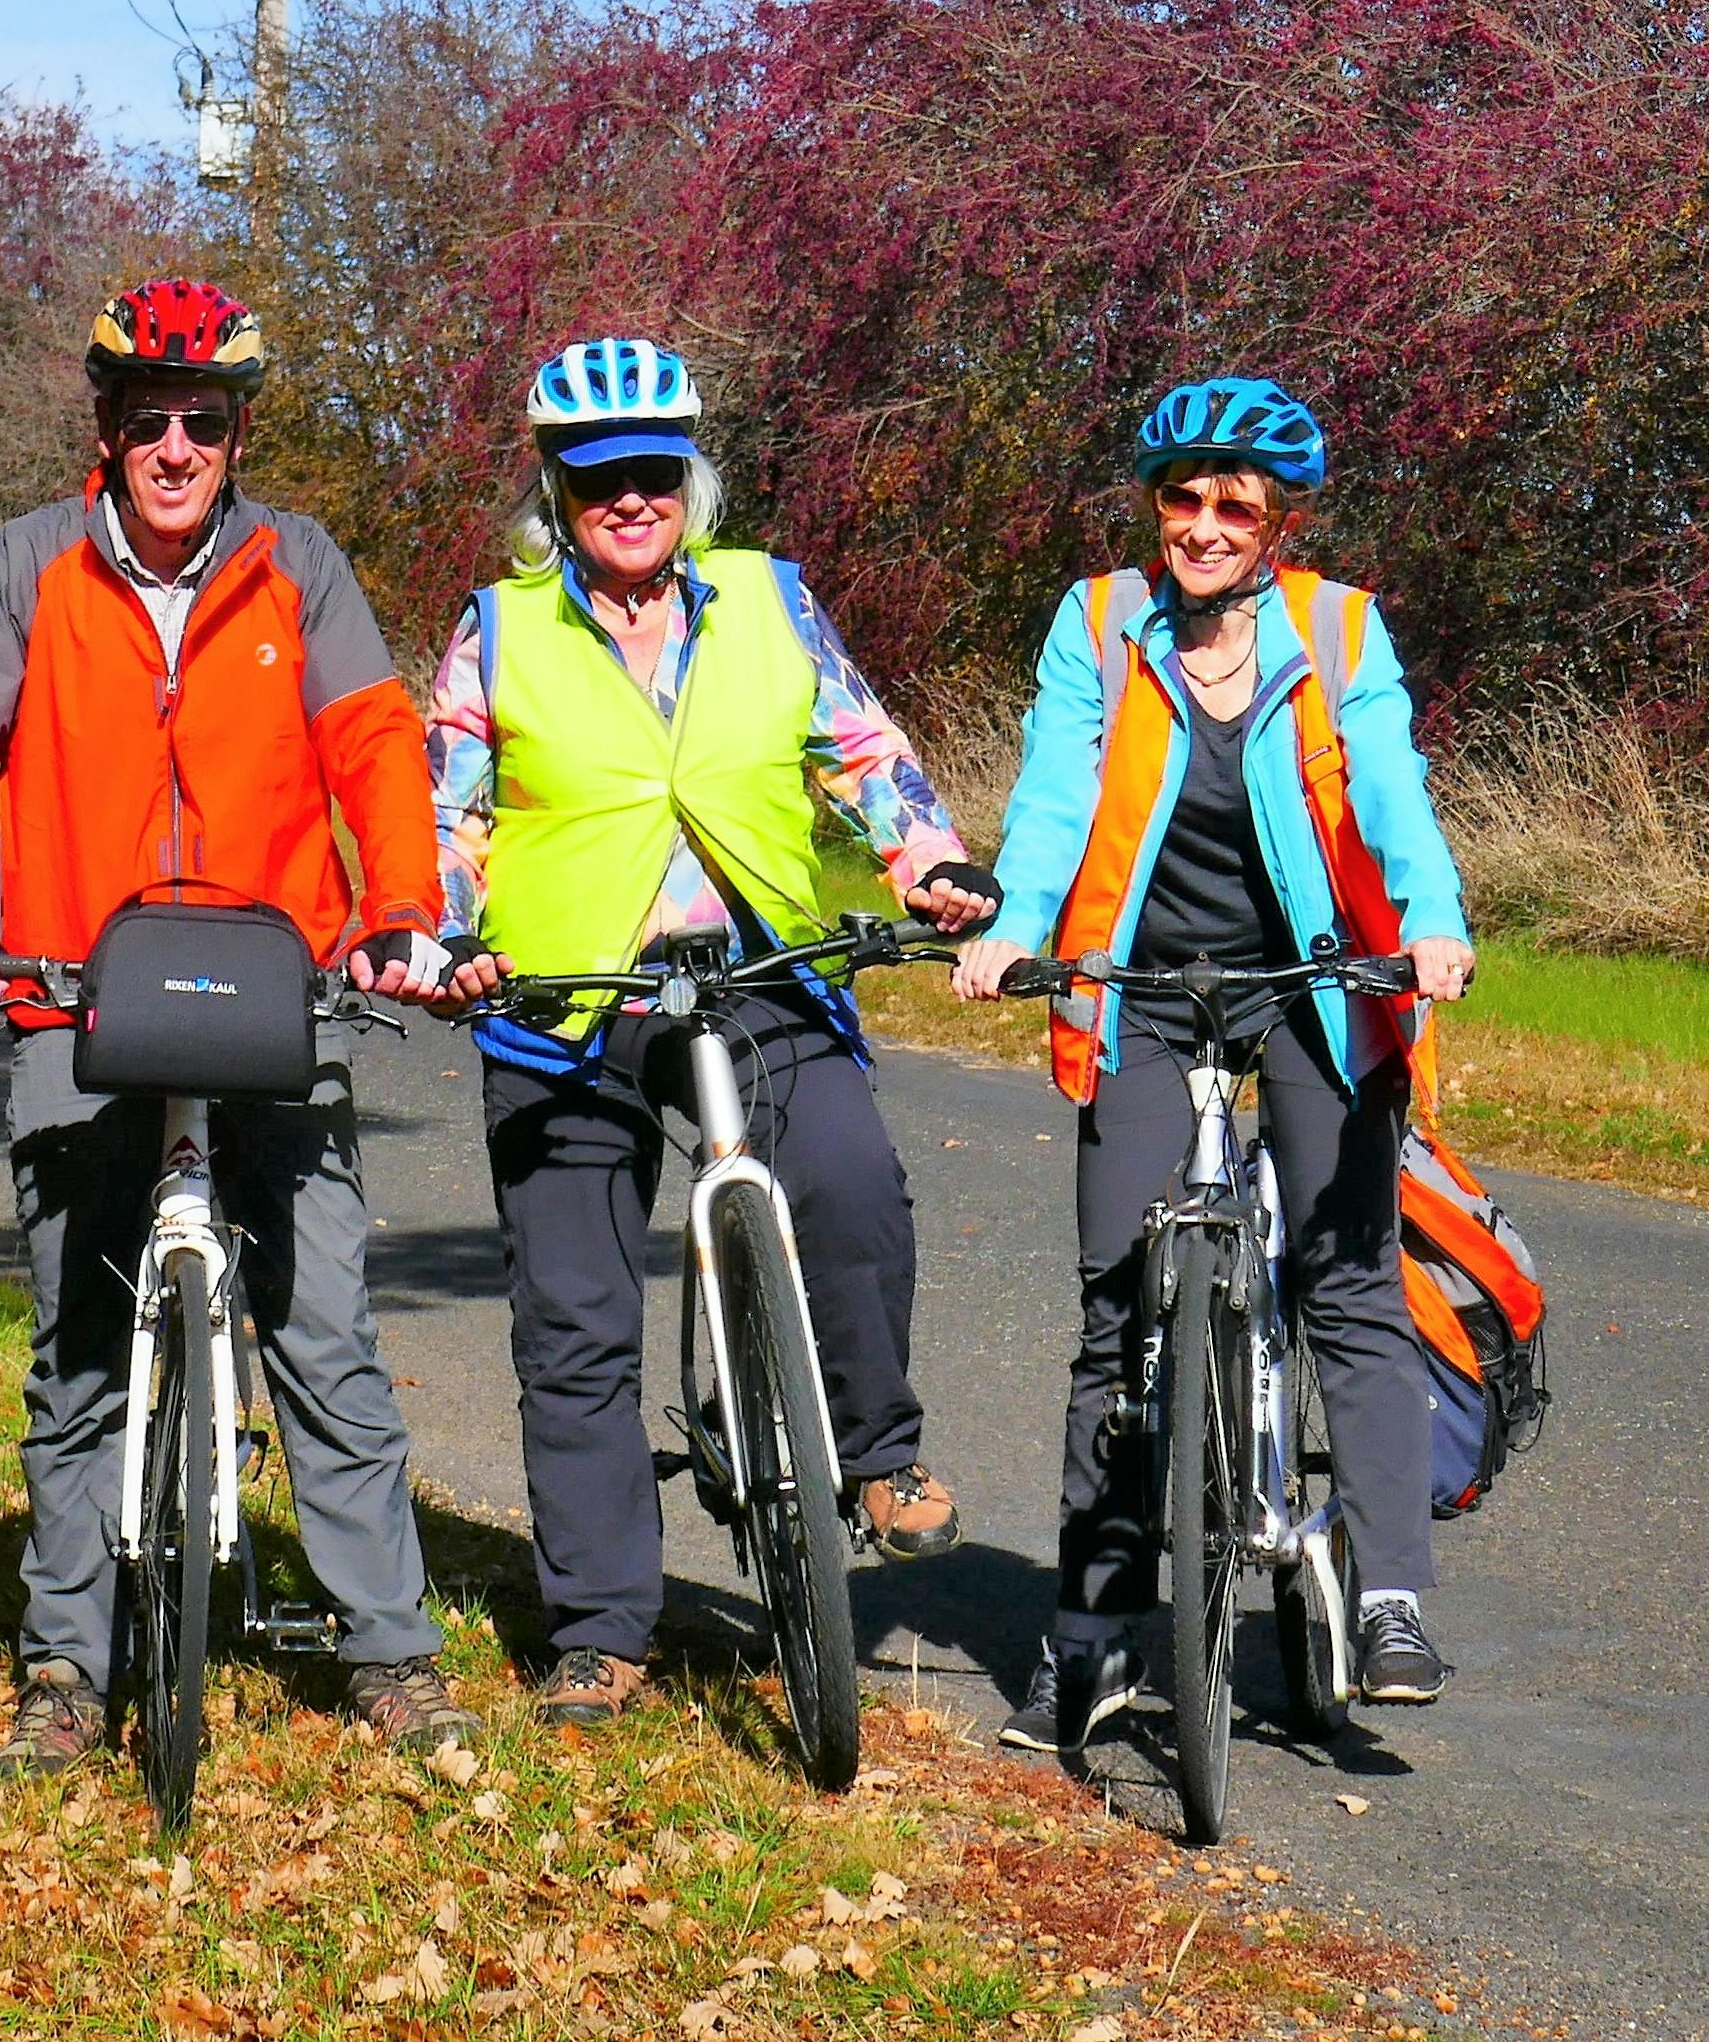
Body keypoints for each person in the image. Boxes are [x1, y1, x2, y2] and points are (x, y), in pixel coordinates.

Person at [0, 279, 477, 1774]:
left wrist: (404, 903)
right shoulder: (28, 569)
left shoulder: (300, 569)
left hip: (279, 987)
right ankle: (67, 1676)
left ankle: (390, 1656)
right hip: (74, 992)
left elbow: (375, 742)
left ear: (236, 437)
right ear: (106, 430)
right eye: (148, 422)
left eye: (204, 425)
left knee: (327, 1336)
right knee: (80, 1351)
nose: (175, 450)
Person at [435, 336, 1002, 1727]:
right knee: (573, 1321)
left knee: (854, 1180)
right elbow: (446, 801)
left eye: (652, 473)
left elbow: (860, 750)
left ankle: (876, 1455)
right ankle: (602, 1631)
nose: (629, 500)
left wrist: (925, 859)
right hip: (564, 995)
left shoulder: (767, 599)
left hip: (757, 970)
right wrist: (445, 933)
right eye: (597, 479)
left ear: (691, 478)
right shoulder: (501, 624)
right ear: (556, 493)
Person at [955, 374, 1480, 1733]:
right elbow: (1059, 788)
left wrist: (1429, 926)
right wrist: (1019, 929)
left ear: (1277, 519)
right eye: (1180, 500)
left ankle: (1389, 1597)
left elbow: (1390, 786)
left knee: (1348, 1278)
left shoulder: (1336, 629)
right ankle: (1088, 1630)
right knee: (1115, 1310)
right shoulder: (1100, 622)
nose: (1200, 525)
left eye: (1231, 504)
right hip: (1139, 983)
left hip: (1316, 982)